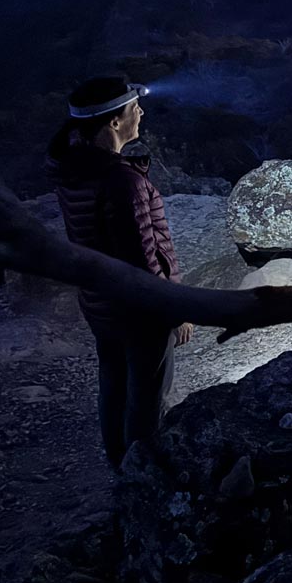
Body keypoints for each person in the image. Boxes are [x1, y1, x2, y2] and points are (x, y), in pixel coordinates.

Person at [45, 76, 193, 470]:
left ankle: (119, 465)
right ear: (114, 122)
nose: (140, 114)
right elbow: (140, 255)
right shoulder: (121, 181)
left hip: (100, 303)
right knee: (147, 395)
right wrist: (173, 308)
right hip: (139, 310)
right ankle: (144, 475)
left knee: (113, 384)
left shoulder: (71, 169)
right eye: (133, 109)